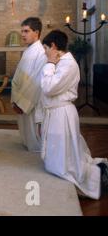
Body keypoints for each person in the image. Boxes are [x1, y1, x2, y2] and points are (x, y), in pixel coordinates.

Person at [38, 30, 108, 199]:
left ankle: (97, 177)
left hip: (62, 113)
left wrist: (48, 64)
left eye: (46, 48)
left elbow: (49, 88)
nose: (45, 52)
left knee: (66, 161)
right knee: (60, 155)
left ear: (54, 46)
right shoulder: (60, 62)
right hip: (55, 113)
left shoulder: (68, 64)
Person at [11, 17, 47, 152]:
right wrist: (15, 99)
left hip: (30, 100)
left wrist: (22, 103)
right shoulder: (28, 50)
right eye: (22, 31)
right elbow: (19, 76)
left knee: (33, 135)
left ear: (36, 33)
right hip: (22, 97)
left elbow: (36, 82)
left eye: (26, 31)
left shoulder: (41, 52)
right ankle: (27, 143)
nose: (23, 34)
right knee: (26, 132)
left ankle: (37, 148)